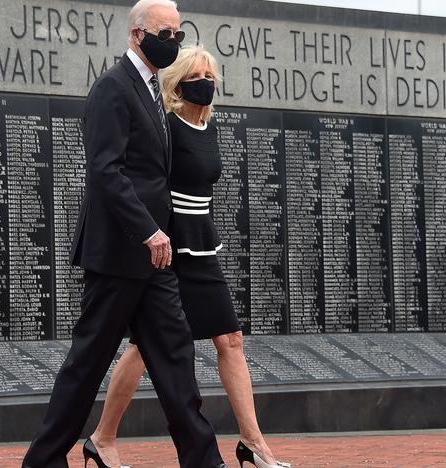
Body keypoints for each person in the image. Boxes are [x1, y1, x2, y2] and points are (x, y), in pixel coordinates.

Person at [21, 1, 227, 467]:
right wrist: (149, 230)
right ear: (137, 35)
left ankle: (204, 460)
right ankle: (43, 460)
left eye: (178, 33)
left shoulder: (154, 91)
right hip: (118, 255)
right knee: (87, 365)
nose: (173, 41)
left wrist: (164, 234)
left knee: (176, 360)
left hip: (156, 260)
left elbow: (153, 173)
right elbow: (105, 172)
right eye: (165, 33)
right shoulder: (113, 88)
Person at [86, 46, 292, 468]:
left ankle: (254, 444)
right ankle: (102, 439)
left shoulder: (209, 126)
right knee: (144, 348)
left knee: (231, 340)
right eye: (196, 74)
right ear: (176, 82)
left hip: (202, 245)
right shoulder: (165, 126)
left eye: (210, 74)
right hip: (167, 245)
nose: (206, 82)